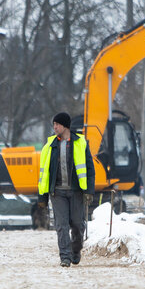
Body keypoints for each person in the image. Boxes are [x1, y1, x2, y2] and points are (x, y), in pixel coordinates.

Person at [38, 112, 95, 267]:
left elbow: (89, 169)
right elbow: (44, 173)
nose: (54, 127)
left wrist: (89, 190)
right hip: (57, 192)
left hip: (76, 191)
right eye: (54, 124)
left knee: (77, 224)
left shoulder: (80, 143)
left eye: (57, 124)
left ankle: (75, 251)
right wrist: (42, 197)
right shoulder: (50, 145)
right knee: (61, 225)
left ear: (65, 126)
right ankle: (65, 257)